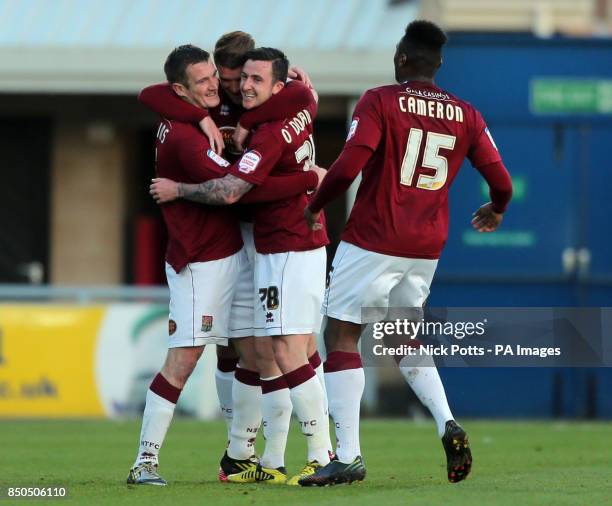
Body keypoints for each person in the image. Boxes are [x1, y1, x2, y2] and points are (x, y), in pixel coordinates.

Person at [299, 20, 513, 486]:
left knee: (341, 335)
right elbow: (502, 184)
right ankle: (446, 422)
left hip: (375, 237)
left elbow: (348, 165)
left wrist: (315, 206)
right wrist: (496, 210)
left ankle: (349, 455)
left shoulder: (380, 100)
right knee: (401, 338)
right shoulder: (466, 114)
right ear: (437, 65)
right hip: (425, 247)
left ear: (400, 59)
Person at [127, 44, 322, 487]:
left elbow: (301, 99)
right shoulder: (183, 137)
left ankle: (240, 457)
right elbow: (233, 190)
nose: (218, 85)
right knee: (184, 359)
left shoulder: (204, 115)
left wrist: (289, 95)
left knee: (255, 351)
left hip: (233, 253)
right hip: (200, 262)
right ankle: (144, 462)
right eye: (204, 81)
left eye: (217, 75)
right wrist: (310, 178)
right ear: (180, 90)